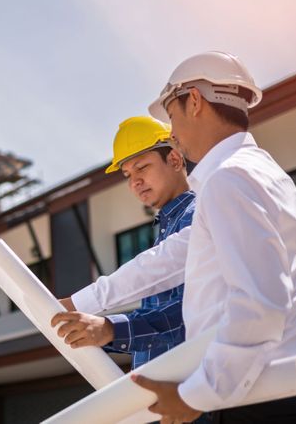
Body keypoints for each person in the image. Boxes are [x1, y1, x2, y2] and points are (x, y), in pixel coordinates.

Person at [126, 51, 296, 423]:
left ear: (195, 100)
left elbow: (260, 303)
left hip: (256, 395)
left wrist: (195, 396)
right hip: (266, 384)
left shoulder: (228, 179)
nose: (171, 133)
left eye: (171, 116)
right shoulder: (264, 174)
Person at [52, 116, 195, 369]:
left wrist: (109, 328)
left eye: (142, 167)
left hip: (193, 392)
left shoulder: (197, 215)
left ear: (174, 159)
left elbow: (190, 316)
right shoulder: (167, 228)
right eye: (128, 174)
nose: (134, 182)